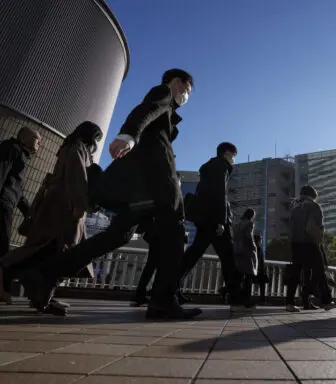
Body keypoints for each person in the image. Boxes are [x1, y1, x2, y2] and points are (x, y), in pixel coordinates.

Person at [19, 69, 202, 320]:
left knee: (116, 237)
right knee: (173, 231)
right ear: (177, 82)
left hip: (139, 192)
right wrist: (128, 136)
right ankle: (163, 300)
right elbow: (145, 111)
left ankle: (45, 274)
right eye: (187, 89)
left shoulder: (169, 113)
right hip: (154, 188)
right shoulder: (163, 94)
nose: (186, 96)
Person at [0, 122, 102, 311]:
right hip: (65, 207)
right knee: (58, 250)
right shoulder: (77, 148)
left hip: (58, 205)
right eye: (96, 138)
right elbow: (77, 177)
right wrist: (80, 205)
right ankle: (13, 270)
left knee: (50, 249)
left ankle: (43, 295)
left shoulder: (69, 147)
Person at [180, 142, 243, 309]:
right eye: (234, 156)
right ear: (227, 154)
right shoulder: (220, 167)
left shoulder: (208, 168)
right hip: (215, 221)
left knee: (193, 254)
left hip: (205, 219)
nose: (234, 160)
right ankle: (236, 297)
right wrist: (221, 221)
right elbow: (220, 195)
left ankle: (168, 289)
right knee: (228, 258)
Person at [131, 172, 186, 306]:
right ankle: (155, 296)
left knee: (152, 264)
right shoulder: (171, 193)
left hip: (156, 233)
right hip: (163, 234)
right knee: (163, 265)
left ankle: (142, 294)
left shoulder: (162, 192)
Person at [0, 127, 41, 259]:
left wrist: (28, 212)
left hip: (7, 204)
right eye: (36, 138)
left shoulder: (20, 154)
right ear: (23, 138)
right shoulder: (12, 148)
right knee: (2, 246)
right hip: (3, 203)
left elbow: (16, 189)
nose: (39, 143)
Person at [286, 185, 328, 312]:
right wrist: (319, 238)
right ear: (313, 195)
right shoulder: (314, 206)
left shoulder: (293, 207)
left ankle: (290, 303)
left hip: (295, 243)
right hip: (310, 242)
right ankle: (326, 300)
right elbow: (315, 228)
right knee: (320, 270)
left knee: (296, 272)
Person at [233, 208, 258, 308]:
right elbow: (249, 237)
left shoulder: (237, 224)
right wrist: (254, 248)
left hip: (237, 251)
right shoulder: (249, 224)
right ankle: (247, 300)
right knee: (249, 277)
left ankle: (236, 298)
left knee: (239, 276)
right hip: (247, 252)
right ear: (251, 216)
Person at [253, 233, 268, 304]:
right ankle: (262, 300)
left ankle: (262, 299)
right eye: (260, 239)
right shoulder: (257, 249)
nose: (261, 241)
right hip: (255, 271)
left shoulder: (259, 249)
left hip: (259, 271)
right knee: (262, 284)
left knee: (262, 284)